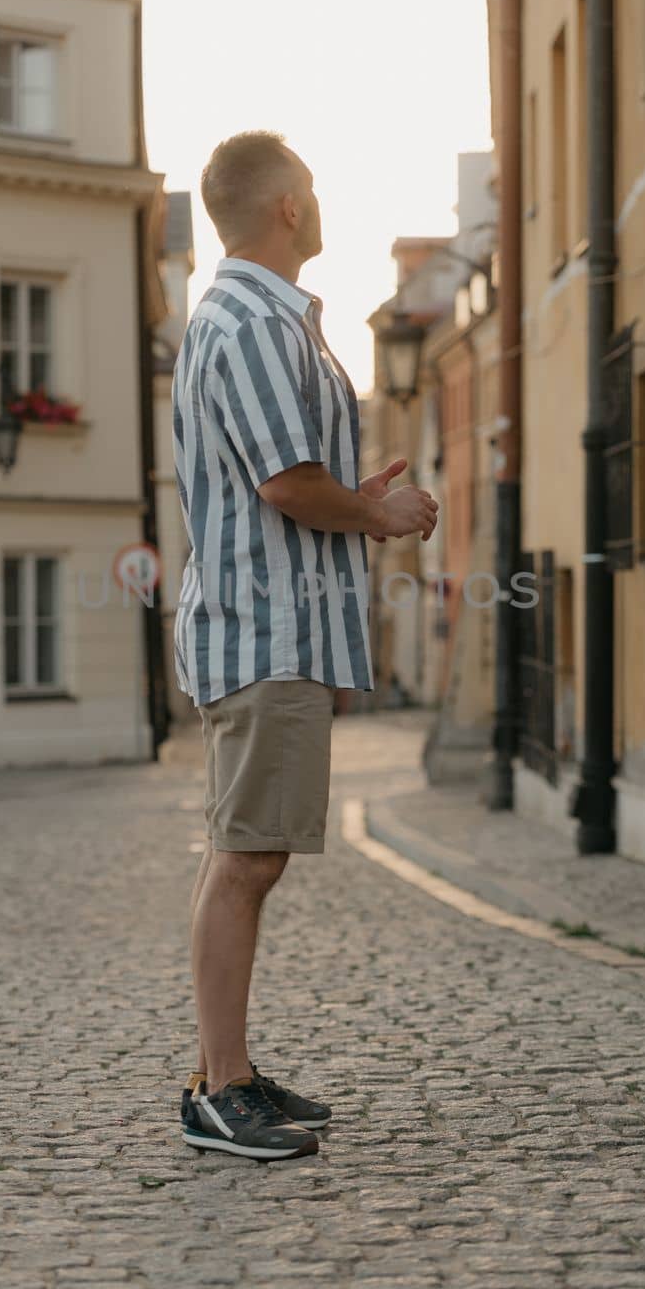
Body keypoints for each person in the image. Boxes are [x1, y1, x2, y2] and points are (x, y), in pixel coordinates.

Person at [171, 131, 438, 1161]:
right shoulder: (247, 322)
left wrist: (353, 500)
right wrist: (382, 515)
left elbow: (282, 481)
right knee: (245, 857)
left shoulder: (263, 319)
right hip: (261, 627)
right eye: (312, 189)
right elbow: (285, 484)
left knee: (246, 851)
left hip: (272, 620)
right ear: (284, 204)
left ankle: (226, 1072)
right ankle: (219, 1088)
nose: (320, 203)